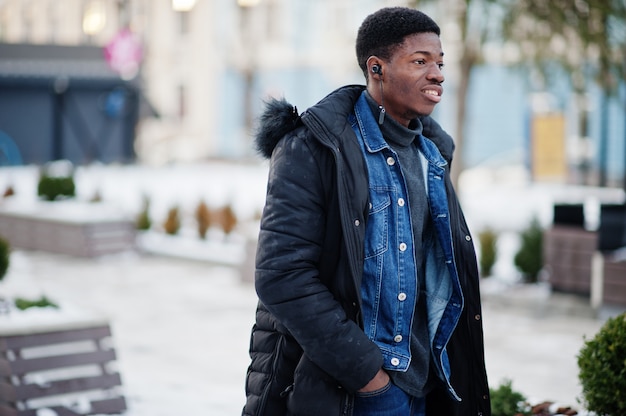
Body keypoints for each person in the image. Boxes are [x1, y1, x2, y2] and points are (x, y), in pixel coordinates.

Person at [243, 6, 490, 416]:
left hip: (429, 386)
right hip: (355, 392)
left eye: (440, 62)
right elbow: (281, 276)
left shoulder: (431, 155)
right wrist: (370, 380)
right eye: (420, 61)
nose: (438, 74)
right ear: (377, 68)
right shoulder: (314, 148)